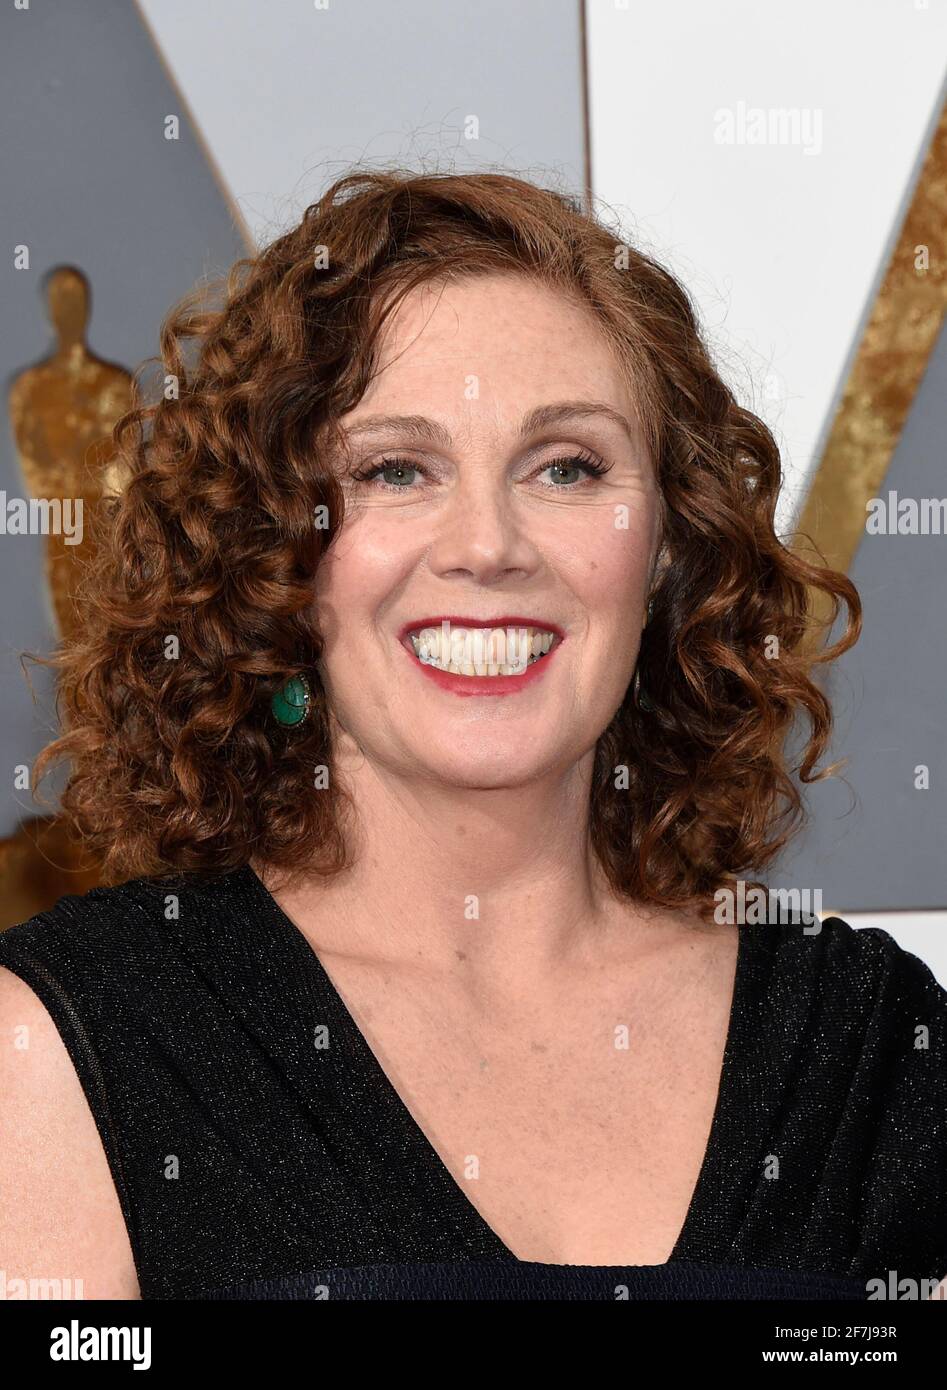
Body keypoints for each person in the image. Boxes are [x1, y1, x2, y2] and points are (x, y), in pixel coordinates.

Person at [1, 170, 944, 1302]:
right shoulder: (77, 1046)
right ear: (278, 553)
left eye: (565, 467)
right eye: (396, 469)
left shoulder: (863, 1049)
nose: (488, 544)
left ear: (663, 547)